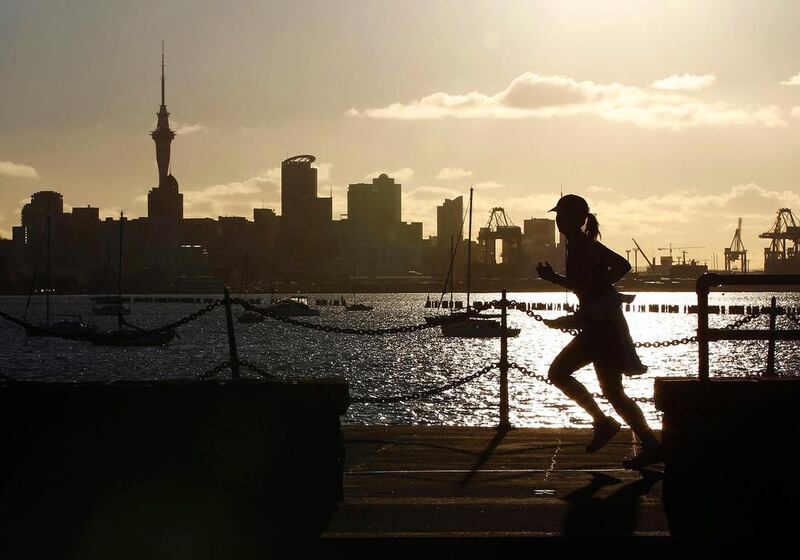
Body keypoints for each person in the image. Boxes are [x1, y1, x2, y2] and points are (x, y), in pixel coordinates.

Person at [536, 194, 661, 469]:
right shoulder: (584, 245)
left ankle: (607, 424)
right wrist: (587, 284)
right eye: (557, 216)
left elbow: (591, 284)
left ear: (577, 219)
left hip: (599, 328)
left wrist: (582, 290)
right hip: (600, 326)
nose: (558, 221)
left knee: (561, 374)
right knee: (613, 391)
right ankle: (646, 442)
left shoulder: (581, 247)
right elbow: (617, 268)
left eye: (563, 216)